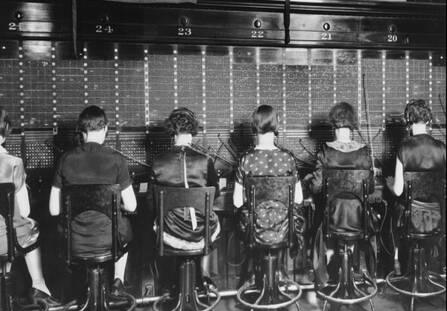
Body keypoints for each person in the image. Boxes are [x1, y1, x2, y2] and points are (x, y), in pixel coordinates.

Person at [49, 106, 137, 291]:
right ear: (105, 128)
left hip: (74, 241)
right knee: (126, 226)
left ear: (82, 131)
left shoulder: (65, 159)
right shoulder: (117, 160)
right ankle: (118, 281)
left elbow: (54, 210)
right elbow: (131, 205)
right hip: (109, 240)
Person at [0, 103, 60, 307]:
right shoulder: (13, 162)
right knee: (29, 227)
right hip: (5, 241)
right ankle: (39, 286)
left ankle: (1, 296)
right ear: (5, 129)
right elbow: (24, 210)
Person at [148, 107, 220, 291]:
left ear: (172, 132)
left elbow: (152, 203)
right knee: (215, 222)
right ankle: (203, 279)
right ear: (192, 132)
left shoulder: (158, 161)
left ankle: (176, 285)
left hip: (169, 233)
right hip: (200, 233)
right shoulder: (205, 160)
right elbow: (215, 194)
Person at [307, 102, 376, 288]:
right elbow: (369, 189)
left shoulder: (325, 151)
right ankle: (366, 273)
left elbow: (316, 188)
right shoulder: (364, 151)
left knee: (314, 226)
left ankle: (323, 279)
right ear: (352, 125)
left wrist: (310, 180)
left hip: (333, 220)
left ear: (334, 125)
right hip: (359, 220)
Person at [233, 105, 304, 283]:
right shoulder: (288, 158)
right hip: (284, 230)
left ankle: (255, 278)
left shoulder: (246, 159)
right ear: (276, 126)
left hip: (255, 230)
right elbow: (298, 199)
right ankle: (279, 276)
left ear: (254, 127)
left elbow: (236, 202)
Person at [385, 99, 446, 273]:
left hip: (412, 220)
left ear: (408, 123)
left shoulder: (404, 149)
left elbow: (398, 191)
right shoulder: (443, 149)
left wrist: (389, 184)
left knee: (390, 213)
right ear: (428, 121)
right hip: (437, 217)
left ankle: (402, 269)